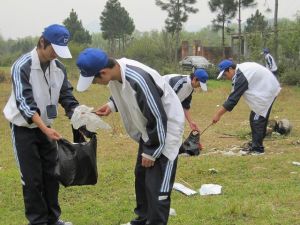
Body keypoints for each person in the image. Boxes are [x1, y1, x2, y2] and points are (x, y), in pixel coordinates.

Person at [76, 48, 185, 225]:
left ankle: (156, 221)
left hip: (164, 132)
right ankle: (142, 219)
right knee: (141, 177)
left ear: (103, 72)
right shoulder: (116, 71)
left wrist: (151, 151)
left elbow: (158, 116)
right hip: (148, 131)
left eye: (94, 80)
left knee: (157, 186)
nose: (95, 84)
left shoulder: (138, 79)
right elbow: (127, 93)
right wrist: (112, 105)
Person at [3, 24, 77, 225]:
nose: (56, 55)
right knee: (32, 179)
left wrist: (78, 114)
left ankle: (53, 220)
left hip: (47, 129)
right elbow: (25, 102)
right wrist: (44, 128)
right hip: (24, 130)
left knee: (52, 175)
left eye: (60, 51)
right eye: (53, 50)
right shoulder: (22, 66)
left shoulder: (59, 68)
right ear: (42, 42)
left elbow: (66, 96)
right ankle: (37, 221)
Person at [212, 59, 281, 155]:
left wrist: (218, 114)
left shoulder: (241, 75)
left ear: (231, 69)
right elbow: (233, 94)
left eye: (225, 74)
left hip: (267, 90)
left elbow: (233, 100)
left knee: (257, 119)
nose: (225, 77)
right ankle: (256, 144)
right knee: (256, 117)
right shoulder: (240, 72)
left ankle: (257, 149)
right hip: (267, 88)